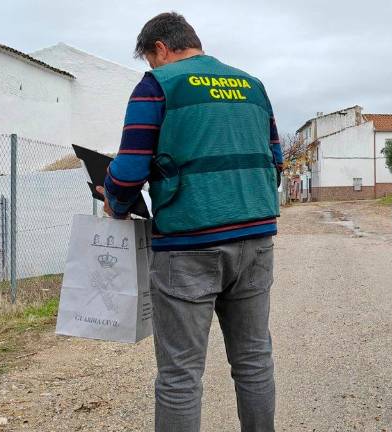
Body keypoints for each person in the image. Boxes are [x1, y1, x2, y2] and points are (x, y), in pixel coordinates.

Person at [97, 12, 282, 432]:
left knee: (180, 376)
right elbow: (276, 159)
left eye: (150, 58)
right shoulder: (253, 87)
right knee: (254, 361)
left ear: (160, 48)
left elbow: (128, 170)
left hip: (186, 246)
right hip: (255, 240)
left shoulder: (157, 86)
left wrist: (115, 203)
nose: (152, 67)